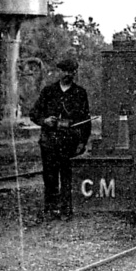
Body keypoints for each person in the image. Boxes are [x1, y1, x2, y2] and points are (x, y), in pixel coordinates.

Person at [30, 58, 92, 221]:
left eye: (70, 71)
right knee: (50, 177)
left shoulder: (80, 93)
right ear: (59, 72)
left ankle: (66, 210)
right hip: (49, 141)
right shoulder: (48, 92)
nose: (67, 74)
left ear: (74, 73)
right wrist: (45, 121)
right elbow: (34, 114)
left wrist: (82, 142)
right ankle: (51, 210)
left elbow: (86, 120)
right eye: (64, 71)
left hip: (69, 142)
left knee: (67, 177)